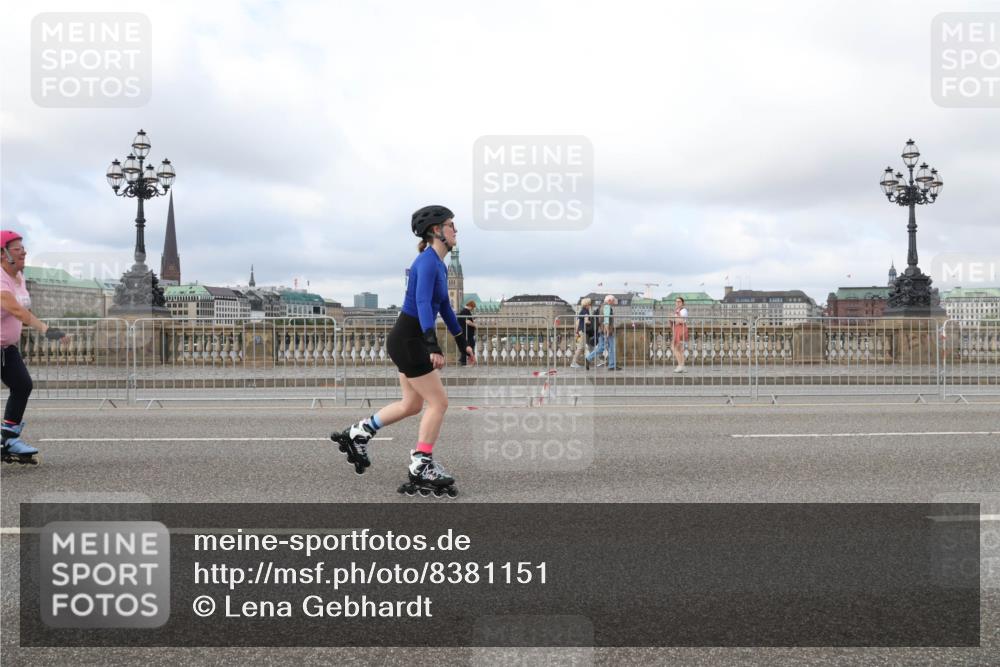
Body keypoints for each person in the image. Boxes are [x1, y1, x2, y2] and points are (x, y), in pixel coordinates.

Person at [331, 206, 474, 498]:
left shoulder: (439, 265)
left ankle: (359, 433)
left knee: (411, 404)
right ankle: (422, 463)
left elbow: (445, 308)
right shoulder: (426, 262)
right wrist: (432, 345)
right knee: (439, 402)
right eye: (451, 225)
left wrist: (463, 343)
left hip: (407, 339)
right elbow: (422, 303)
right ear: (436, 230)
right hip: (410, 341)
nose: (455, 230)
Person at [1, 231, 68, 465]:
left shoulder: (20, 277)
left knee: (22, 385)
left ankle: (9, 439)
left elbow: (25, 312)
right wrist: (47, 330)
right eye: (17, 249)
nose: (24, 252)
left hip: (6, 348)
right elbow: (17, 310)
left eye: (23, 248)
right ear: (3, 254)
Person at [586, 294, 621, 371]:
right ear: (609, 301)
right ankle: (612, 365)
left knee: (601, 348)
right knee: (611, 347)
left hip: (601, 330)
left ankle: (588, 358)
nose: (613, 303)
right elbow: (606, 320)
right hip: (607, 330)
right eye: (613, 301)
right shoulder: (607, 307)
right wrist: (607, 331)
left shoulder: (601, 306)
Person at [569, 297, 592, 368]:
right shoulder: (586, 311)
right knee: (581, 347)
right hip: (584, 330)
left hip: (581, 330)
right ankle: (573, 362)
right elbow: (586, 321)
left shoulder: (582, 310)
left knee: (586, 346)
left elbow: (577, 322)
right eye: (589, 304)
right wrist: (592, 321)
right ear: (587, 304)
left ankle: (594, 360)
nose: (590, 305)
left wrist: (577, 331)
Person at [671, 296, 689, 373]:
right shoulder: (677, 310)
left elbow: (681, 321)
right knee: (680, 349)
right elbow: (676, 321)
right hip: (678, 330)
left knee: (675, 348)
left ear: (682, 303)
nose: (677, 303)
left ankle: (680, 366)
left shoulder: (683, 310)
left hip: (681, 330)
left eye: (679, 301)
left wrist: (674, 317)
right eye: (676, 301)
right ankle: (682, 366)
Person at [457, 299, 477, 366]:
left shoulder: (463, 311)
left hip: (464, 332)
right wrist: (475, 325)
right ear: (470, 306)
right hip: (467, 333)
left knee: (467, 346)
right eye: (473, 307)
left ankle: (463, 360)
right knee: (470, 345)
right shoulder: (466, 311)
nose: (473, 309)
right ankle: (466, 360)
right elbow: (468, 322)